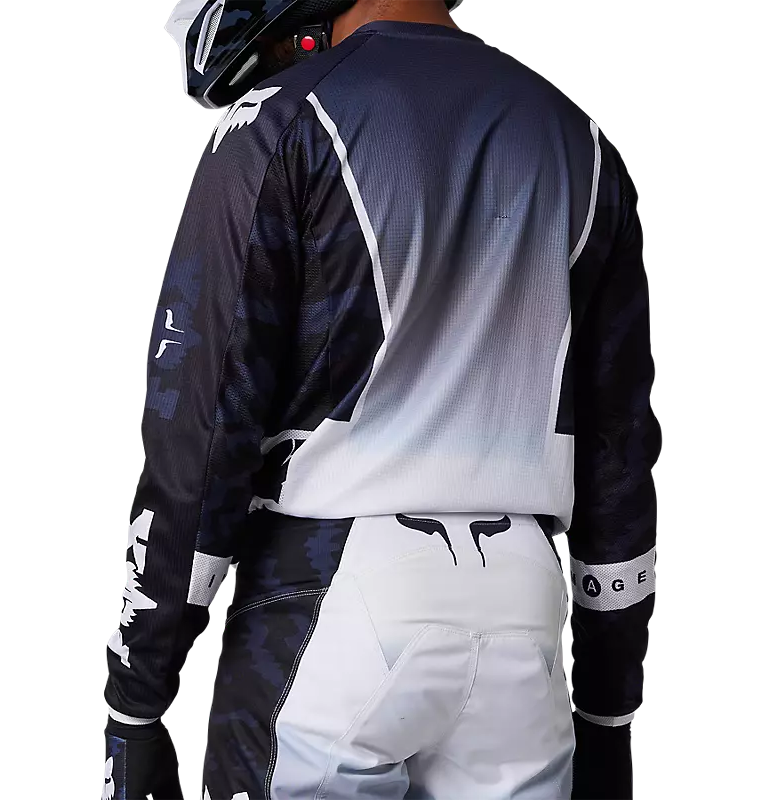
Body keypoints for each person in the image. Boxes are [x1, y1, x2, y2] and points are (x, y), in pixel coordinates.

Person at [102, 1, 662, 798]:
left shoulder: (283, 119)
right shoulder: (582, 140)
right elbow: (619, 452)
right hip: (521, 612)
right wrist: (609, 711)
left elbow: (202, 423)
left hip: (332, 598)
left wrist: (136, 697)